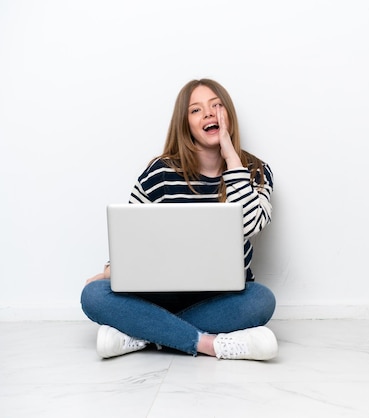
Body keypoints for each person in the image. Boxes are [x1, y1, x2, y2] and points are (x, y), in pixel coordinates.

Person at [81, 79, 278, 360]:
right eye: (196, 110)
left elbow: (250, 224)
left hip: (220, 297)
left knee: (261, 301)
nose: (208, 114)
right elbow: (131, 235)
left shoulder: (257, 172)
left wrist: (231, 157)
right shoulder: (159, 172)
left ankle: (142, 333)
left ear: (228, 114)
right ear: (185, 124)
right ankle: (208, 343)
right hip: (158, 294)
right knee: (93, 295)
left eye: (216, 106)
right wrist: (115, 270)